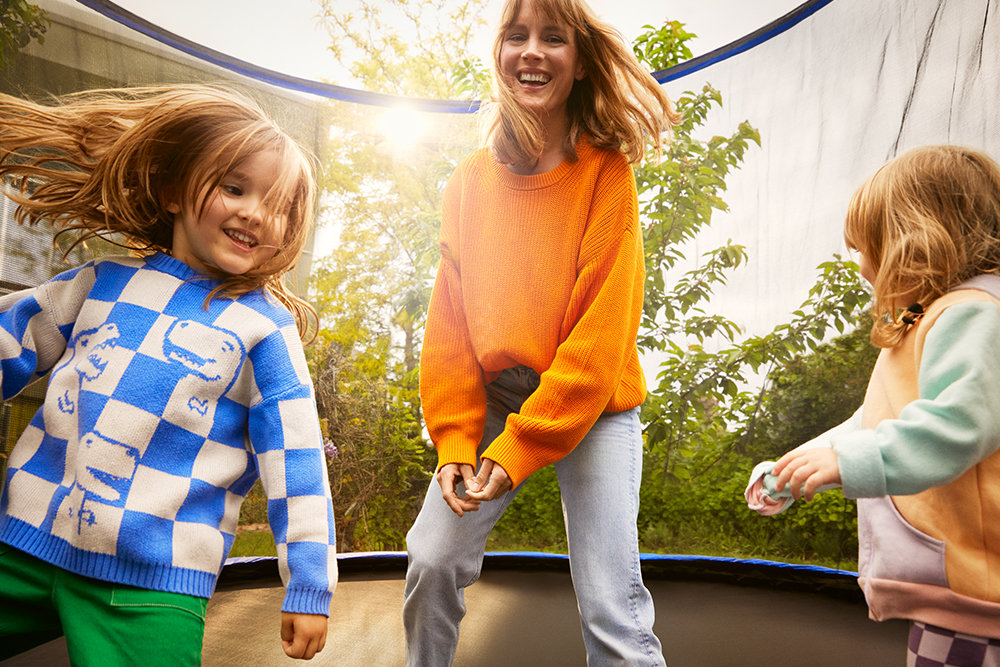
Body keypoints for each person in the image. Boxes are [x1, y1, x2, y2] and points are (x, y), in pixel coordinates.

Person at [0, 85, 336, 664]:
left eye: (280, 208)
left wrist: (309, 582)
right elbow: (12, 336)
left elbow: (297, 459)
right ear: (178, 191)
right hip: (22, 545)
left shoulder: (263, 330)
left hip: (152, 584)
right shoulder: (101, 282)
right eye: (235, 188)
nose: (257, 213)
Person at [403, 0, 681, 663]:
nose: (532, 51)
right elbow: (449, 330)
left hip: (596, 404)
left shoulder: (605, 173)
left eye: (552, 38)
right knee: (432, 558)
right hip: (498, 398)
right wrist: (455, 440)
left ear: (579, 63)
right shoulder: (468, 183)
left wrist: (524, 444)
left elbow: (600, 337)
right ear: (498, 55)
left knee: (613, 603)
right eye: (516, 36)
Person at [746, 145, 1000, 665]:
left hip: (977, 602)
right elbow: (872, 422)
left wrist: (848, 462)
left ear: (919, 243)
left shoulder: (975, 315)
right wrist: (798, 466)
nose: (862, 267)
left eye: (871, 249)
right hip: (956, 598)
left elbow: (959, 424)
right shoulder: (932, 319)